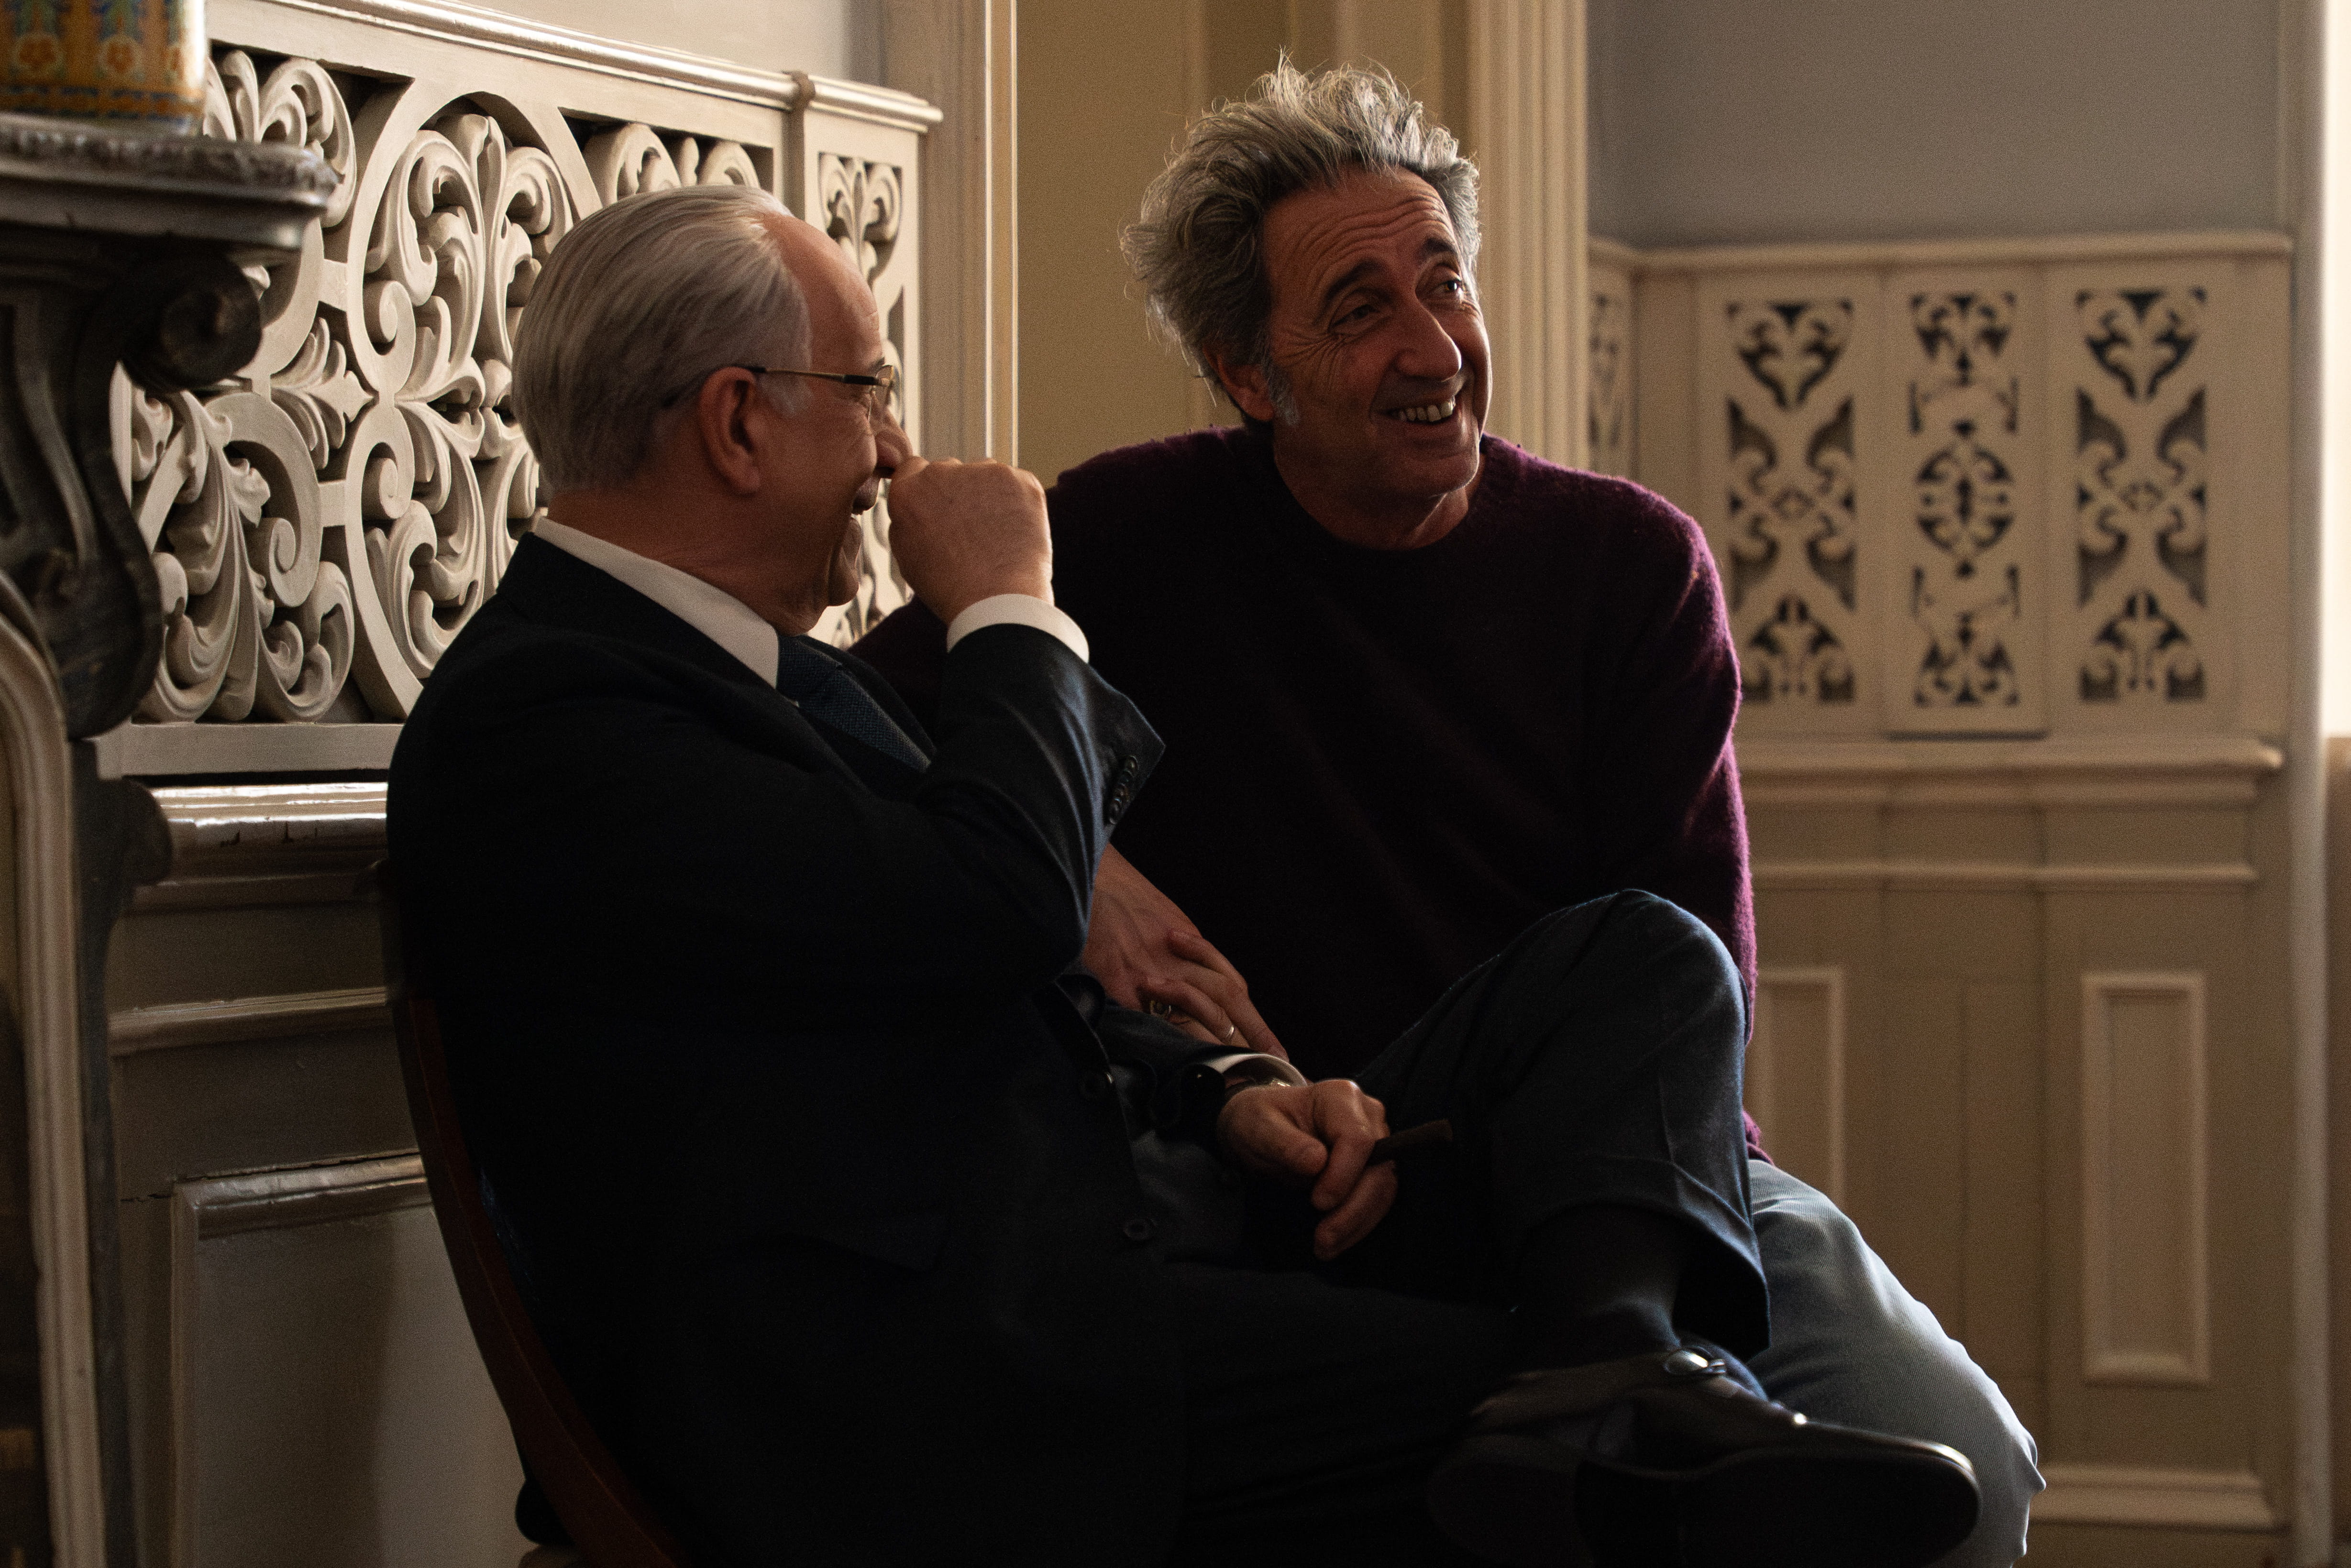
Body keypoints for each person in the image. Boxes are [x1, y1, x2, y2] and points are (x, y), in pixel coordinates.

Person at [389, 181, 1983, 1567]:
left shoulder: (760, 677)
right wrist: (1007, 602)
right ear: (739, 422)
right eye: (865, 392)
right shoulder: (555, 715)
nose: (891, 453)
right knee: (1540, 1436)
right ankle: (1612, 1410)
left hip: (1106, 1248)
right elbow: (996, 903)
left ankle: (1621, 1370)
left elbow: (958, 953)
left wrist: (1223, 1090)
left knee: (1636, 958)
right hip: (936, 1382)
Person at [854, 63, 2044, 1567]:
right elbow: (841, 733)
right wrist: (1082, 870)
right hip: (1274, 1169)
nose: (1432, 349)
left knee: (1969, 1474)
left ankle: (1633, 1373)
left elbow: (1698, 985)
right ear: (1249, 375)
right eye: (1359, 311)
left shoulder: (1628, 568)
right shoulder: (1122, 538)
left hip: (1610, 1177)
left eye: (1446, 286)